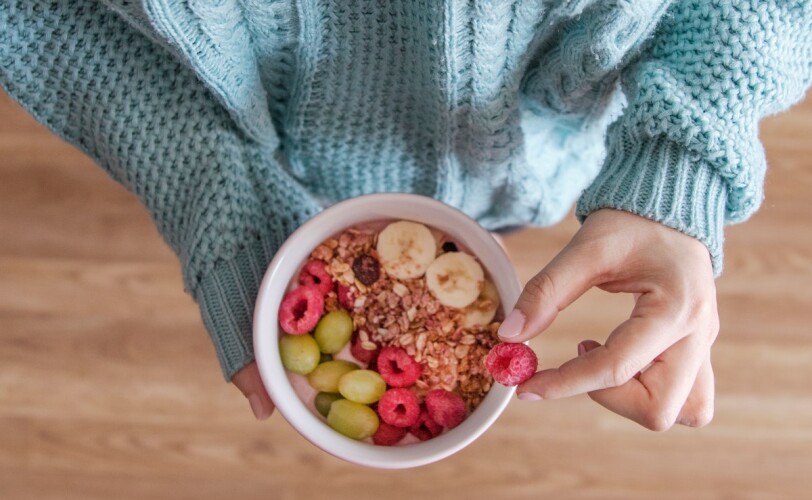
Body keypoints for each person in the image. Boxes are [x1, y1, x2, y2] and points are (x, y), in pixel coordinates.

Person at [1, 1, 810, 430]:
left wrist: (680, 162)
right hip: (265, 142)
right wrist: (212, 184)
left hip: (541, 154)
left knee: (512, 216)